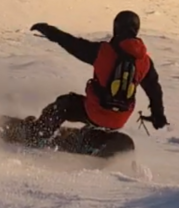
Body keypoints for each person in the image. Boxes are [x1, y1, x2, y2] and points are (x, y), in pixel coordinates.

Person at [25, 10, 166, 142]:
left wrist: (49, 30)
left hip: (94, 112)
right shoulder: (145, 61)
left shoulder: (103, 51)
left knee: (64, 104)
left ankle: (37, 134)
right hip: (120, 119)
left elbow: (72, 43)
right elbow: (155, 90)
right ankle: (94, 136)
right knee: (98, 111)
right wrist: (158, 116)